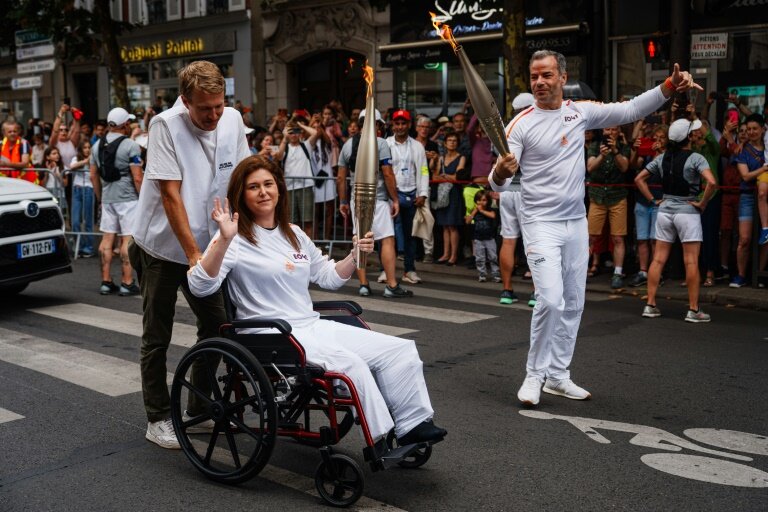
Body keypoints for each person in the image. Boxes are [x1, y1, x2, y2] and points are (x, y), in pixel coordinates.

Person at [187, 155, 447, 446]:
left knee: (399, 350)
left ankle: (412, 424)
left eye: (268, 184)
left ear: (279, 189)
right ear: (241, 194)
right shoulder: (233, 238)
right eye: (253, 187)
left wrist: (354, 254)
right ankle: (381, 436)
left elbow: (328, 277)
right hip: (270, 334)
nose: (263, 192)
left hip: (310, 326)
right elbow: (199, 285)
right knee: (352, 366)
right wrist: (222, 240)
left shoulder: (294, 233)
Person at [491, 50, 701, 406]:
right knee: (551, 301)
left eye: (546, 75)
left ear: (562, 76)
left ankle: (558, 375)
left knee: (574, 303)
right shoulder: (519, 124)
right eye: (534, 77)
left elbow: (630, 109)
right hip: (540, 223)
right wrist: (502, 172)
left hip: (575, 222)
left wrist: (668, 87)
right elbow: (496, 183)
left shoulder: (579, 112)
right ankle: (534, 375)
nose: (539, 82)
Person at [128, 60, 251, 449]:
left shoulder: (231, 119)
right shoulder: (165, 125)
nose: (213, 115)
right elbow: (170, 194)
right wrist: (193, 255)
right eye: (204, 108)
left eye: (218, 105)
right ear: (185, 101)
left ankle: (198, 407)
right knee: (157, 334)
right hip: (163, 247)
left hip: (209, 241)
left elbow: (243, 176)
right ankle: (158, 417)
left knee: (219, 325)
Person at [635, 118, 717, 322]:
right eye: (693, 133)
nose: (696, 135)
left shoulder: (662, 157)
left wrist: (653, 200)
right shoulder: (696, 158)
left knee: (658, 259)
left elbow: (639, 179)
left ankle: (650, 304)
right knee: (691, 261)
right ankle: (693, 309)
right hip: (688, 212)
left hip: (664, 211)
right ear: (688, 137)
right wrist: (702, 202)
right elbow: (712, 182)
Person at [337, 108, 413, 298]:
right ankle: (391, 285)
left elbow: (340, 178)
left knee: (359, 240)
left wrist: (343, 201)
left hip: (357, 199)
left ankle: (363, 285)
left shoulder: (347, 145)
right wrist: (395, 199)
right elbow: (387, 173)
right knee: (387, 239)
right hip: (378, 200)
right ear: (377, 125)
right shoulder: (380, 143)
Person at [90, 107, 143, 295]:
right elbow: (137, 177)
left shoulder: (96, 146)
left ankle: (106, 281)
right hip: (128, 198)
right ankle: (127, 282)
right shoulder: (131, 145)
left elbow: (93, 175)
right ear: (126, 124)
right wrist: (143, 198)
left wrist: (100, 198)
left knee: (107, 239)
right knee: (127, 240)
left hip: (107, 197)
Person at [498, 92, 535, 306]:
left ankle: (507, 290)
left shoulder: (506, 130)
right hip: (527, 191)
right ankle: (535, 293)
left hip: (506, 191)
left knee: (508, 240)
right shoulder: (533, 128)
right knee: (533, 241)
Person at [386, 109, 429, 284]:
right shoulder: (385, 144)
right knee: (387, 235)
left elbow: (424, 170)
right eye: (397, 123)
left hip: (411, 195)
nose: (400, 127)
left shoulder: (417, 146)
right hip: (391, 195)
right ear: (392, 125)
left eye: (404, 123)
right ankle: (385, 270)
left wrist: (423, 193)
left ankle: (409, 270)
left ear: (410, 125)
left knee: (410, 235)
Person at [586, 126, 631, 289]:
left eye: (613, 129)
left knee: (618, 237)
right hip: (597, 196)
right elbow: (590, 167)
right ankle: (581, 270)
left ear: (619, 132)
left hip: (617, 196)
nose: (610, 132)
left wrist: (615, 151)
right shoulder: (595, 145)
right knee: (591, 236)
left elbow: (625, 167)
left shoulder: (623, 147)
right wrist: (602, 155)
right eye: (607, 129)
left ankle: (618, 272)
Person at [731, 114, 768, 287]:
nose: (752, 132)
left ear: (762, 130)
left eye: (755, 129)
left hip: (764, 197)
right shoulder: (742, 151)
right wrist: (764, 169)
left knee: (765, 239)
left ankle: (758, 275)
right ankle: (740, 275)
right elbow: (745, 176)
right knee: (744, 239)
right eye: (749, 129)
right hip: (747, 197)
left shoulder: (767, 148)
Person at [273, 120, 319, 238]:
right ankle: (295, 246)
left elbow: (315, 133)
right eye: (291, 132)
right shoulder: (286, 147)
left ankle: (309, 246)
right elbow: (278, 156)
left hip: (306, 186)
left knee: (308, 220)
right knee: (292, 221)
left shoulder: (306, 146)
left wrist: (300, 125)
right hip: (290, 188)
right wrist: (284, 137)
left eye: (296, 132)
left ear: (300, 133)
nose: (294, 134)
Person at [433, 132, 466, 265]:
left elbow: (458, 176)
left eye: (454, 140)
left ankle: (453, 256)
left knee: (452, 225)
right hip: (442, 194)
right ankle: (445, 254)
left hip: (454, 194)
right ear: (445, 143)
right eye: (449, 140)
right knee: (444, 226)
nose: (452, 142)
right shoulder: (441, 157)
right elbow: (435, 177)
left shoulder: (461, 157)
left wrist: (444, 176)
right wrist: (448, 177)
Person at [465, 190, 500, 282]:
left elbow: (493, 216)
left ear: (488, 201)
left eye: (484, 200)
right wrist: (475, 211)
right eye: (479, 200)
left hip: (490, 238)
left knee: (493, 257)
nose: (481, 202)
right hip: (478, 238)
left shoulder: (490, 209)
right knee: (480, 258)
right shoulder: (475, 211)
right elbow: (468, 221)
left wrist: (482, 211)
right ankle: (482, 274)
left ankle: (496, 274)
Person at [69, 140, 95, 257]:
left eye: (89, 147)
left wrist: (90, 161)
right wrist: (85, 161)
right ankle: (78, 246)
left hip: (88, 189)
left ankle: (88, 248)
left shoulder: (94, 160)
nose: (87, 149)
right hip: (77, 190)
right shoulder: (76, 158)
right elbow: (72, 167)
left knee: (88, 221)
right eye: (84, 147)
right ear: (81, 149)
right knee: (75, 221)